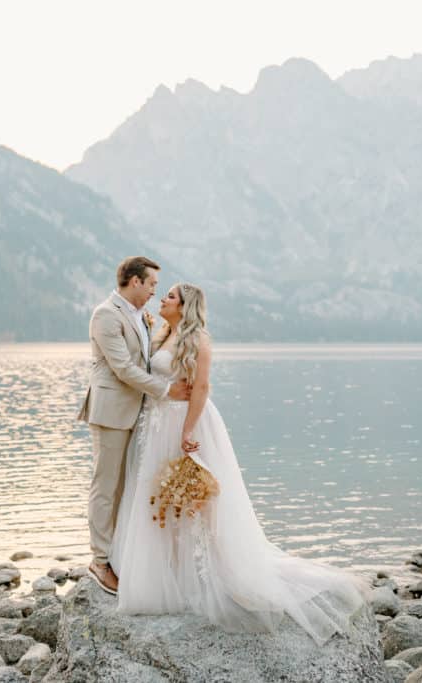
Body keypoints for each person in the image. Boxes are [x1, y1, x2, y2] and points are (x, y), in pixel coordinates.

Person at [109, 282, 369, 644]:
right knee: (161, 500)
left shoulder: (198, 340)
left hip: (185, 422)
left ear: (185, 306)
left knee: (193, 500)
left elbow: (201, 388)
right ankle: (167, 574)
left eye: (169, 296)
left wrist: (187, 431)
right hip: (156, 424)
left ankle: (205, 576)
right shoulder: (161, 333)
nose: (162, 298)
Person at [78, 256, 191, 595]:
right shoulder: (106, 315)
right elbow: (123, 368)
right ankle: (99, 561)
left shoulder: (140, 316)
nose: (155, 291)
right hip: (111, 413)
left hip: (138, 414)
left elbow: (145, 359)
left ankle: (119, 554)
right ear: (135, 281)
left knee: (127, 487)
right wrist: (167, 390)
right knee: (106, 485)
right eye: (152, 284)